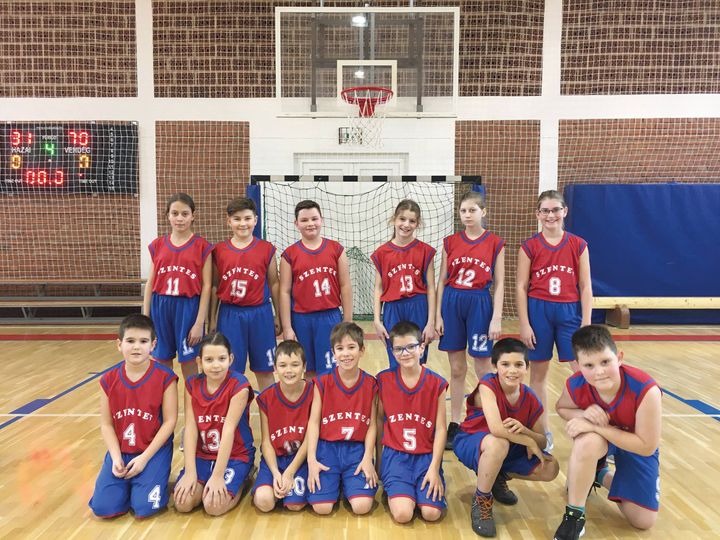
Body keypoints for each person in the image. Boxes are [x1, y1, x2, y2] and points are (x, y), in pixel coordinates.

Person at [553, 325, 661, 540]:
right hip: (601, 442)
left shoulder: (646, 389)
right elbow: (562, 408)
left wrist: (595, 426)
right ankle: (574, 516)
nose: (599, 372)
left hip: (635, 443)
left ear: (619, 358)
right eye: (589, 365)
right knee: (587, 441)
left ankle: (598, 474)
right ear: (579, 367)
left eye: (605, 362)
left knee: (642, 520)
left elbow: (646, 446)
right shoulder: (575, 384)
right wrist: (583, 413)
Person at [453, 337, 559, 537]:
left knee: (550, 466)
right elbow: (496, 429)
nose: (512, 370)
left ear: (527, 368)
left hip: (508, 446)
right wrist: (528, 440)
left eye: (519, 364)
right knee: (499, 443)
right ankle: (482, 500)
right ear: (495, 366)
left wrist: (526, 431)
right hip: (471, 440)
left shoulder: (530, 397)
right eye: (505, 364)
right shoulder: (487, 385)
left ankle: (497, 476)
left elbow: (543, 441)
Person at [516, 189, 592, 450]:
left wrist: (586, 322)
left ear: (564, 211)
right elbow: (521, 286)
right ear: (538, 214)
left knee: (583, 371)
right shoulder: (529, 247)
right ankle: (543, 432)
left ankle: (593, 427)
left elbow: (585, 286)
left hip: (569, 311)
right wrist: (524, 323)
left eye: (555, 210)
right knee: (538, 373)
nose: (551, 215)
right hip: (538, 311)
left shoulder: (578, 245)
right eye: (545, 211)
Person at [89, 314, 178, 518]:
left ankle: (147, 481)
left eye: (143, 341)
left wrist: (145, 458)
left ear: (153, 345)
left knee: (145, 507)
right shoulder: (108, 380)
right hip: (122, 451)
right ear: (119, 345)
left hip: (152, 452)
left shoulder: (165, 378)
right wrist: (115, 457)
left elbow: (170, 422)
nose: (137, 347)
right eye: (130, 341)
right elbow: (106, 424)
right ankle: (129, 485)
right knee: (103, 508)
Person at [436, 190, 505, 450]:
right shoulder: (450, 242)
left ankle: (488, 418)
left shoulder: (495, 243)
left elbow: (500, 284)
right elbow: (441, 280)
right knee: (456, 368)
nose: (467, 215)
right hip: (452, 302)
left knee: (483, 367)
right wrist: (438, 315)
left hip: (479, 303)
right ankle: (455, 422)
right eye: (463, 211)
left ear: (483, 212)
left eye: (472, 210)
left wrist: (496, 317)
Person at [173, 332, 255, 516]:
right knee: (183, 503)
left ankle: (245, 476)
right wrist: (190, 472)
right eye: (209, 360)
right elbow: (190, 428)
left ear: (230, 359)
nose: (216, 365)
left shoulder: (239, 385)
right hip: (203, 455)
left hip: (235, 456)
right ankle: (203, 479)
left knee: (213, 506)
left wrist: (218, 476)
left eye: (221, 359)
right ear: (199, 362)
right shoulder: (191, 384)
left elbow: (228, 431)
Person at [376, 321, 448, 524]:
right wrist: (379, 460)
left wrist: (434, 468)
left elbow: (441, 429)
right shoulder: (383, 380)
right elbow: (379, 421)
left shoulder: (437, 383)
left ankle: (420, 490)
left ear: (422, 348)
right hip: (396, 457)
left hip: (426, 457)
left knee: (431, 514)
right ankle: (396, 490)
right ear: (392, 351)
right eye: (398, 349)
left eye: (411, 347)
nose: (405, 353)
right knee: (403, 515)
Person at [306, 322, 378, 515]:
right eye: (340, 348)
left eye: (351, 347)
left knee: (362, 507)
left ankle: (346, 484)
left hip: (356, 451)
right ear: (333, 353)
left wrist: (368, 457)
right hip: (327, 449)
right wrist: (311, 459)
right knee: (322, 508)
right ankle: (338, 483)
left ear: (362, 350)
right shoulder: (322, 382)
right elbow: (313, 422)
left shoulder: (370, 383)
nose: (346, 354)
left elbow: (372, 425)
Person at [212, 197, 280, 391]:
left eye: (247, 218)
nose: (243, 223)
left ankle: (270, 410)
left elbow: (274, 283)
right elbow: (215, 286)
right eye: (237, 219)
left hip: (261, 313)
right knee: (231, 371)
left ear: (255, 220)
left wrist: (278, 316)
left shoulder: (266, 249)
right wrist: (212, 319)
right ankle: (236, 411)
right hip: (230, 314)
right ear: (228, 221)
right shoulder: (219, 250)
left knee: (265, 369)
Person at [142, 192, 212, 381]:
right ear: (167, 215)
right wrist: (145, 317)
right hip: (160, 306)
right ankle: (167, 399)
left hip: (188, 307)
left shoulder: (203, 246)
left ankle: (193, 399)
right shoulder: (158, 245)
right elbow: (150, 283)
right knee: (162, 361)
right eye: (175, 213)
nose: (179, 218)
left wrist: (199, 322)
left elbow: (207, 287)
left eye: (184, 214)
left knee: (189, 362)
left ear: (193, 216)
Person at [280, 200, 352, 377]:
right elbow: (284, 292)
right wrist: (287, 327)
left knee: (332, 369)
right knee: (308, 369)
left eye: (314, 219)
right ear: (296, 223)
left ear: (322, 220)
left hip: (329, 317)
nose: (310, 223)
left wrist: (348, 320)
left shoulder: (336, 249)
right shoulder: (289, 254)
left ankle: (331, 397)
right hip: (301, 319)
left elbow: (345, 285)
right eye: (304, 220)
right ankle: (312, 396)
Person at [371, 200, 437, 368]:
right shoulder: (382, 252)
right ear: (394, 219)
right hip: (393, 308)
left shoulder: (425, 251)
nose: (406, 224)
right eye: (402, 219)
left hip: (418, 306)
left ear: (417, 224)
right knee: (396, 359)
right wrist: (377, 320)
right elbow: (378, 288)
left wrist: (431, 322)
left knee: (417, 360)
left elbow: (431, 288)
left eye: (412, 221)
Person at [253, 340, 314, 512]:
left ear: (304, 367)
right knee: (264, 502)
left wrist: (290, 472)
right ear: (275, 368)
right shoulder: (266, 397)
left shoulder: (314, 392)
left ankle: (288, 490)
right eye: (282, 365)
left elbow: (309, 440)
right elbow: (266, 442)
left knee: (294, 505)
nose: (289, 370)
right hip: (276, 459)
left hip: (300, 460)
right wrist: (275, 473)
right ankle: (265, 481)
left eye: (295, 365)